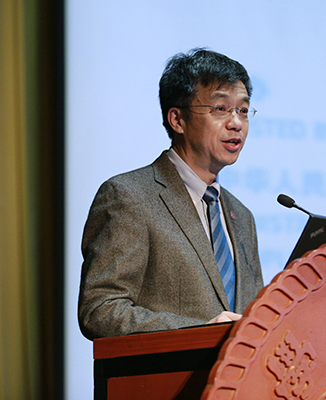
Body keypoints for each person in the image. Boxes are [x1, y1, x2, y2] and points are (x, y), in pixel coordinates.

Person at [78, 48, 264, 340]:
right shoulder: (128, 197)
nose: (236, 123)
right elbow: (100, 310)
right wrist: (198, 333)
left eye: (242, 110)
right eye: (220, 108)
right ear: (177, 120)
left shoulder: (241, 216)